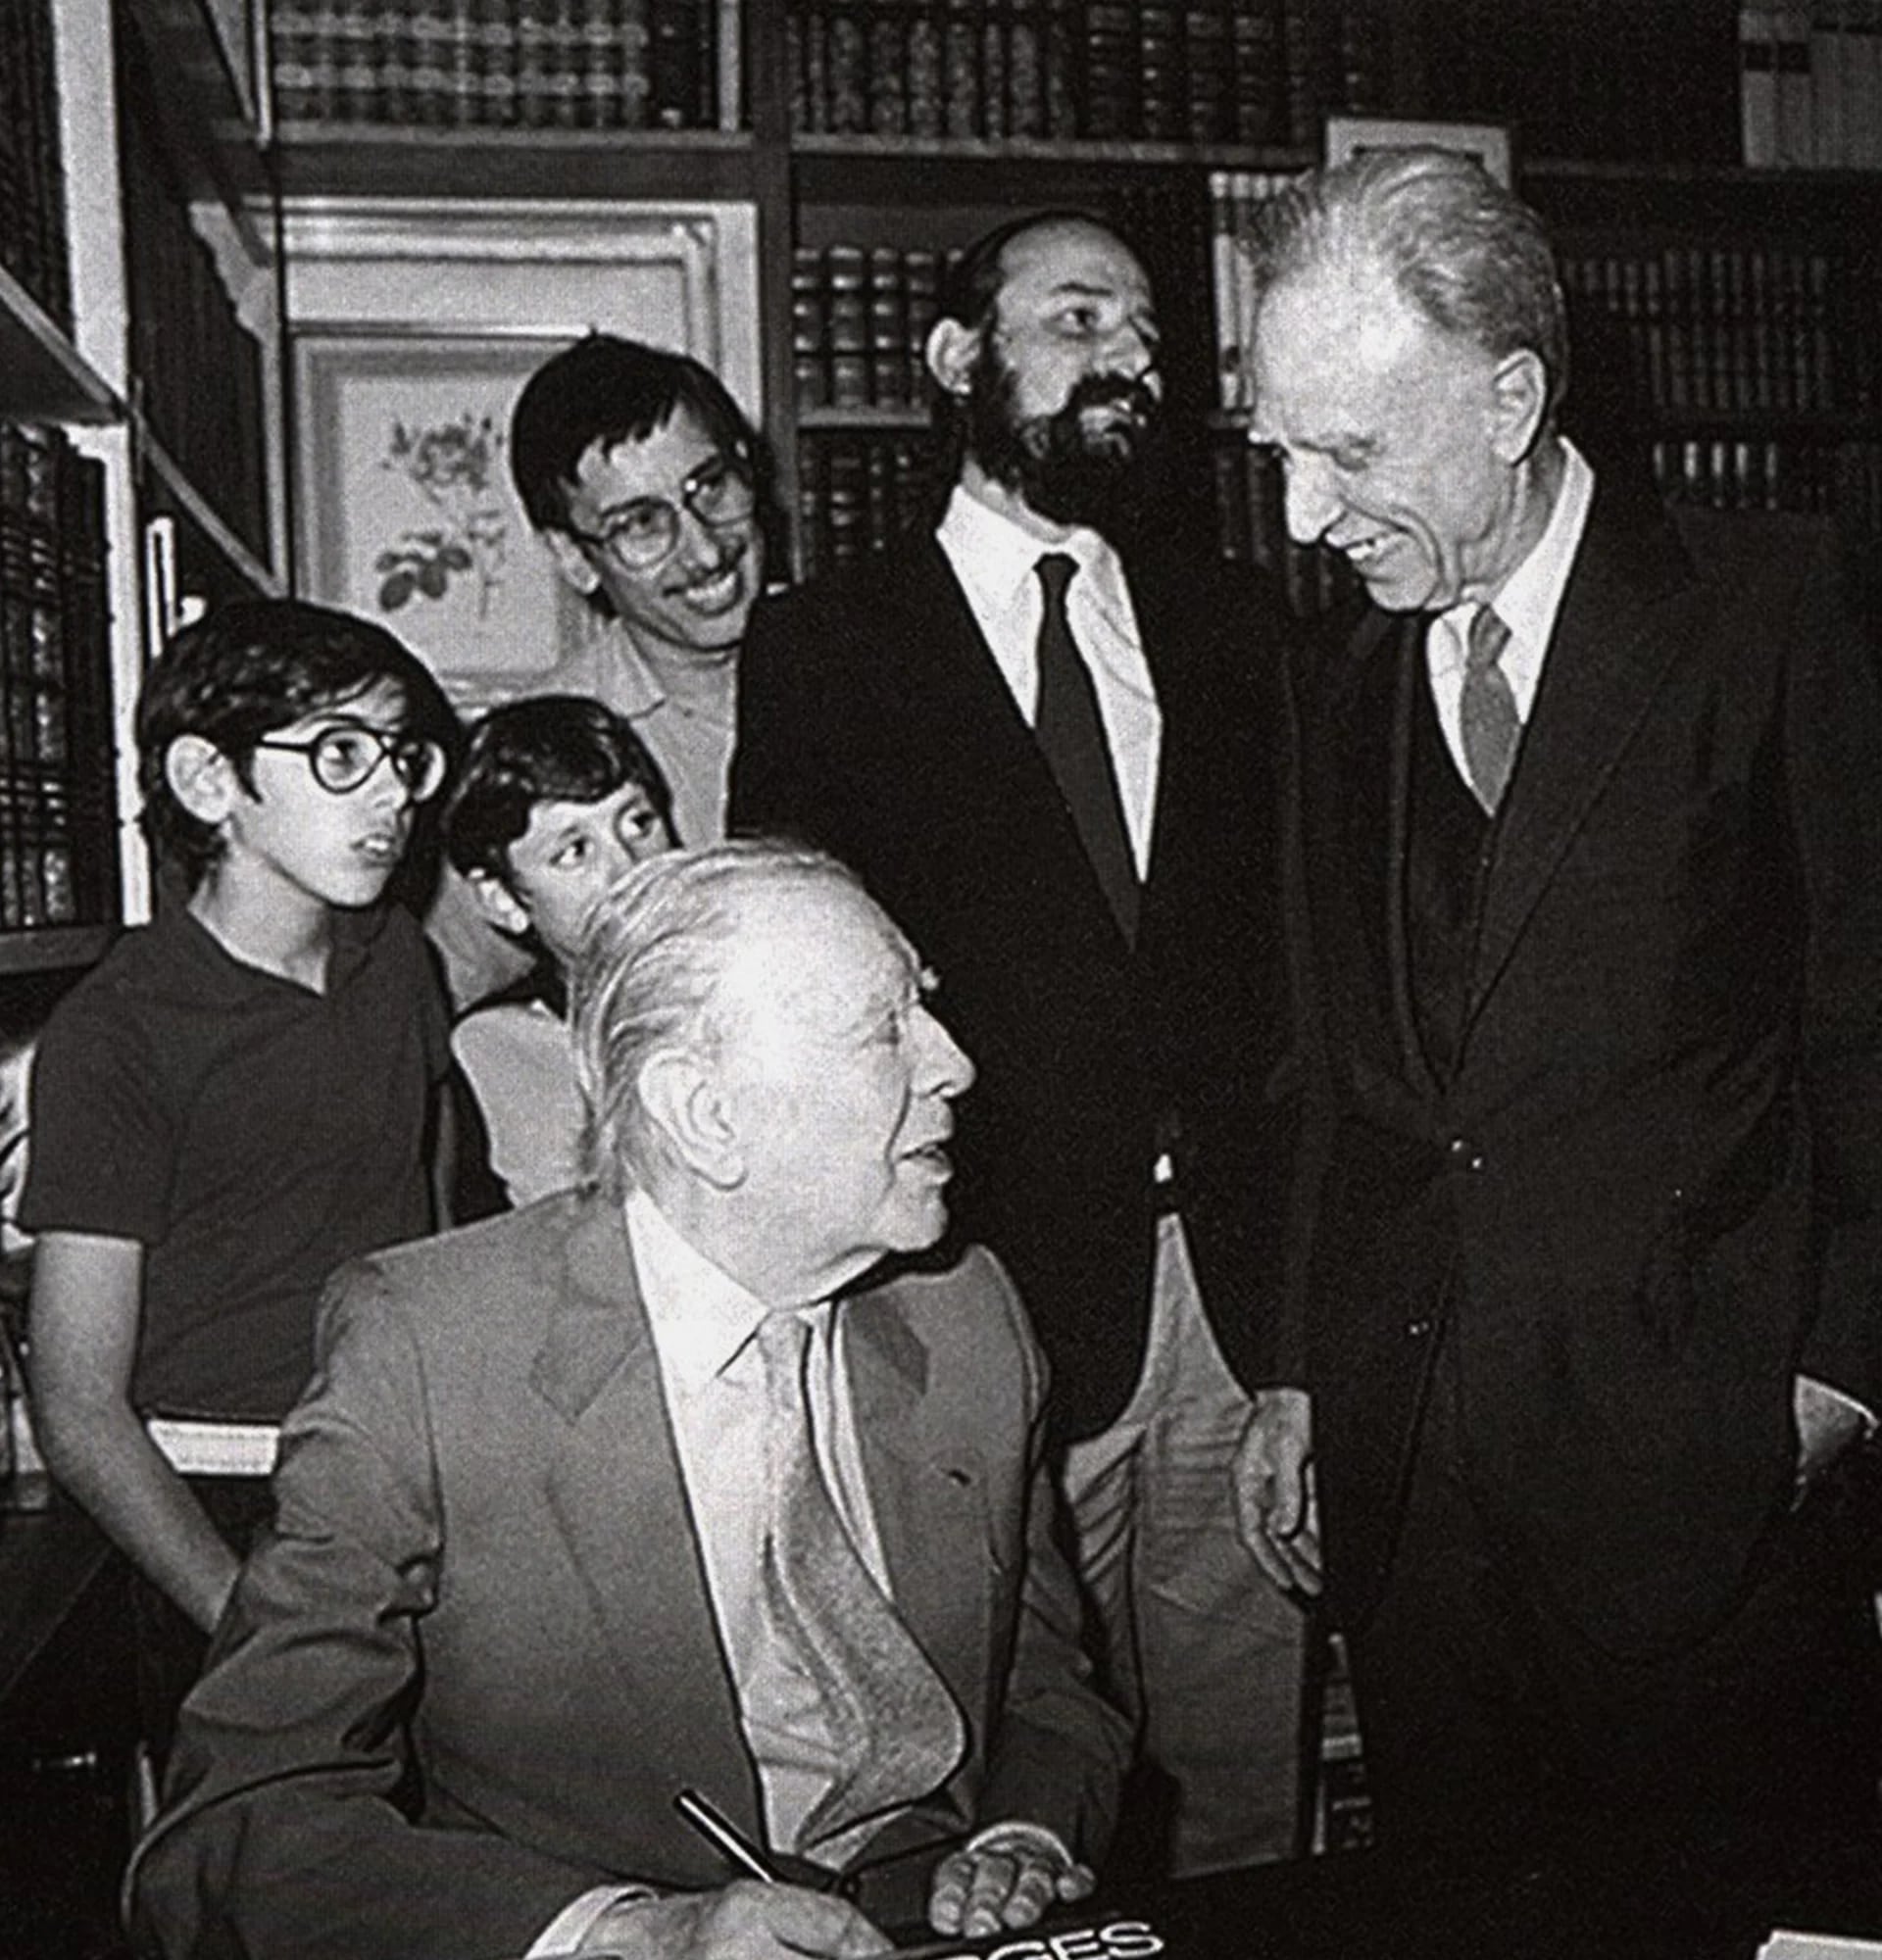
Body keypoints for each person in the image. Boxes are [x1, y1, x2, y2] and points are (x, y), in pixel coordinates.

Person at [127, 841, 1129, 1960]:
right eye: (883, 1029)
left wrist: (1027, 1829)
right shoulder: (430, 1353)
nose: (954, 1065)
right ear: (702, 1113)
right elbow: (236, 1828)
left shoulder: (969, 1314)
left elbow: (1044, 1681)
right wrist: (634, 1933)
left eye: (925, 1010)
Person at [1232, 147, 1882, 1856]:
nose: (1301, 515)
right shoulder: (1340, 672)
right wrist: (1305, 1377)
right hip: (1416, 1504)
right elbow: (1345, 1073)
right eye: (1276, 455)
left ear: (1512, 397)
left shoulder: (1781, 612)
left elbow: (1868, 1026)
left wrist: (1838, 1379)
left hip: (1707, 1490)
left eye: (1350, 455)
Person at [732, 211, 1307, 1876]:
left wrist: (1304, 1339)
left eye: (1146, 326)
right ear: (956, 358)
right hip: (976, 1299)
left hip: (1235, 1302)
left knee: (1242, 1801)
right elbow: (801, 986)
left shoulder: (1236, 625)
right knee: (1020, 1806)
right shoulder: (829, 646)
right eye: (1078, 316)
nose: (1132, 355)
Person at [17, 598, 459, 1769]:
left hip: (405, 1480)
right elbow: (76, 1404)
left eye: (401, 753)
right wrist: (242, 1621)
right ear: (210, 782)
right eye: (338, 754)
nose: (392, 795)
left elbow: (436, 1232)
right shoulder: (118, 1033)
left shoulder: (399, 961)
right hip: (219, 1509)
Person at [427, 334, 768, 1011]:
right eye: (641, 524)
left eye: (711, 487)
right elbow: (426, 1009)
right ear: (572, 557)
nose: (703, 549)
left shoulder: (882, 658)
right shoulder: (534, 749)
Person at [442, 693, 676, 1208]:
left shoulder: (750, 986)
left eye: (639, 823)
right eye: (575, 852)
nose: (630, 869)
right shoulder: (497, 1046)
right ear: (502, 899)